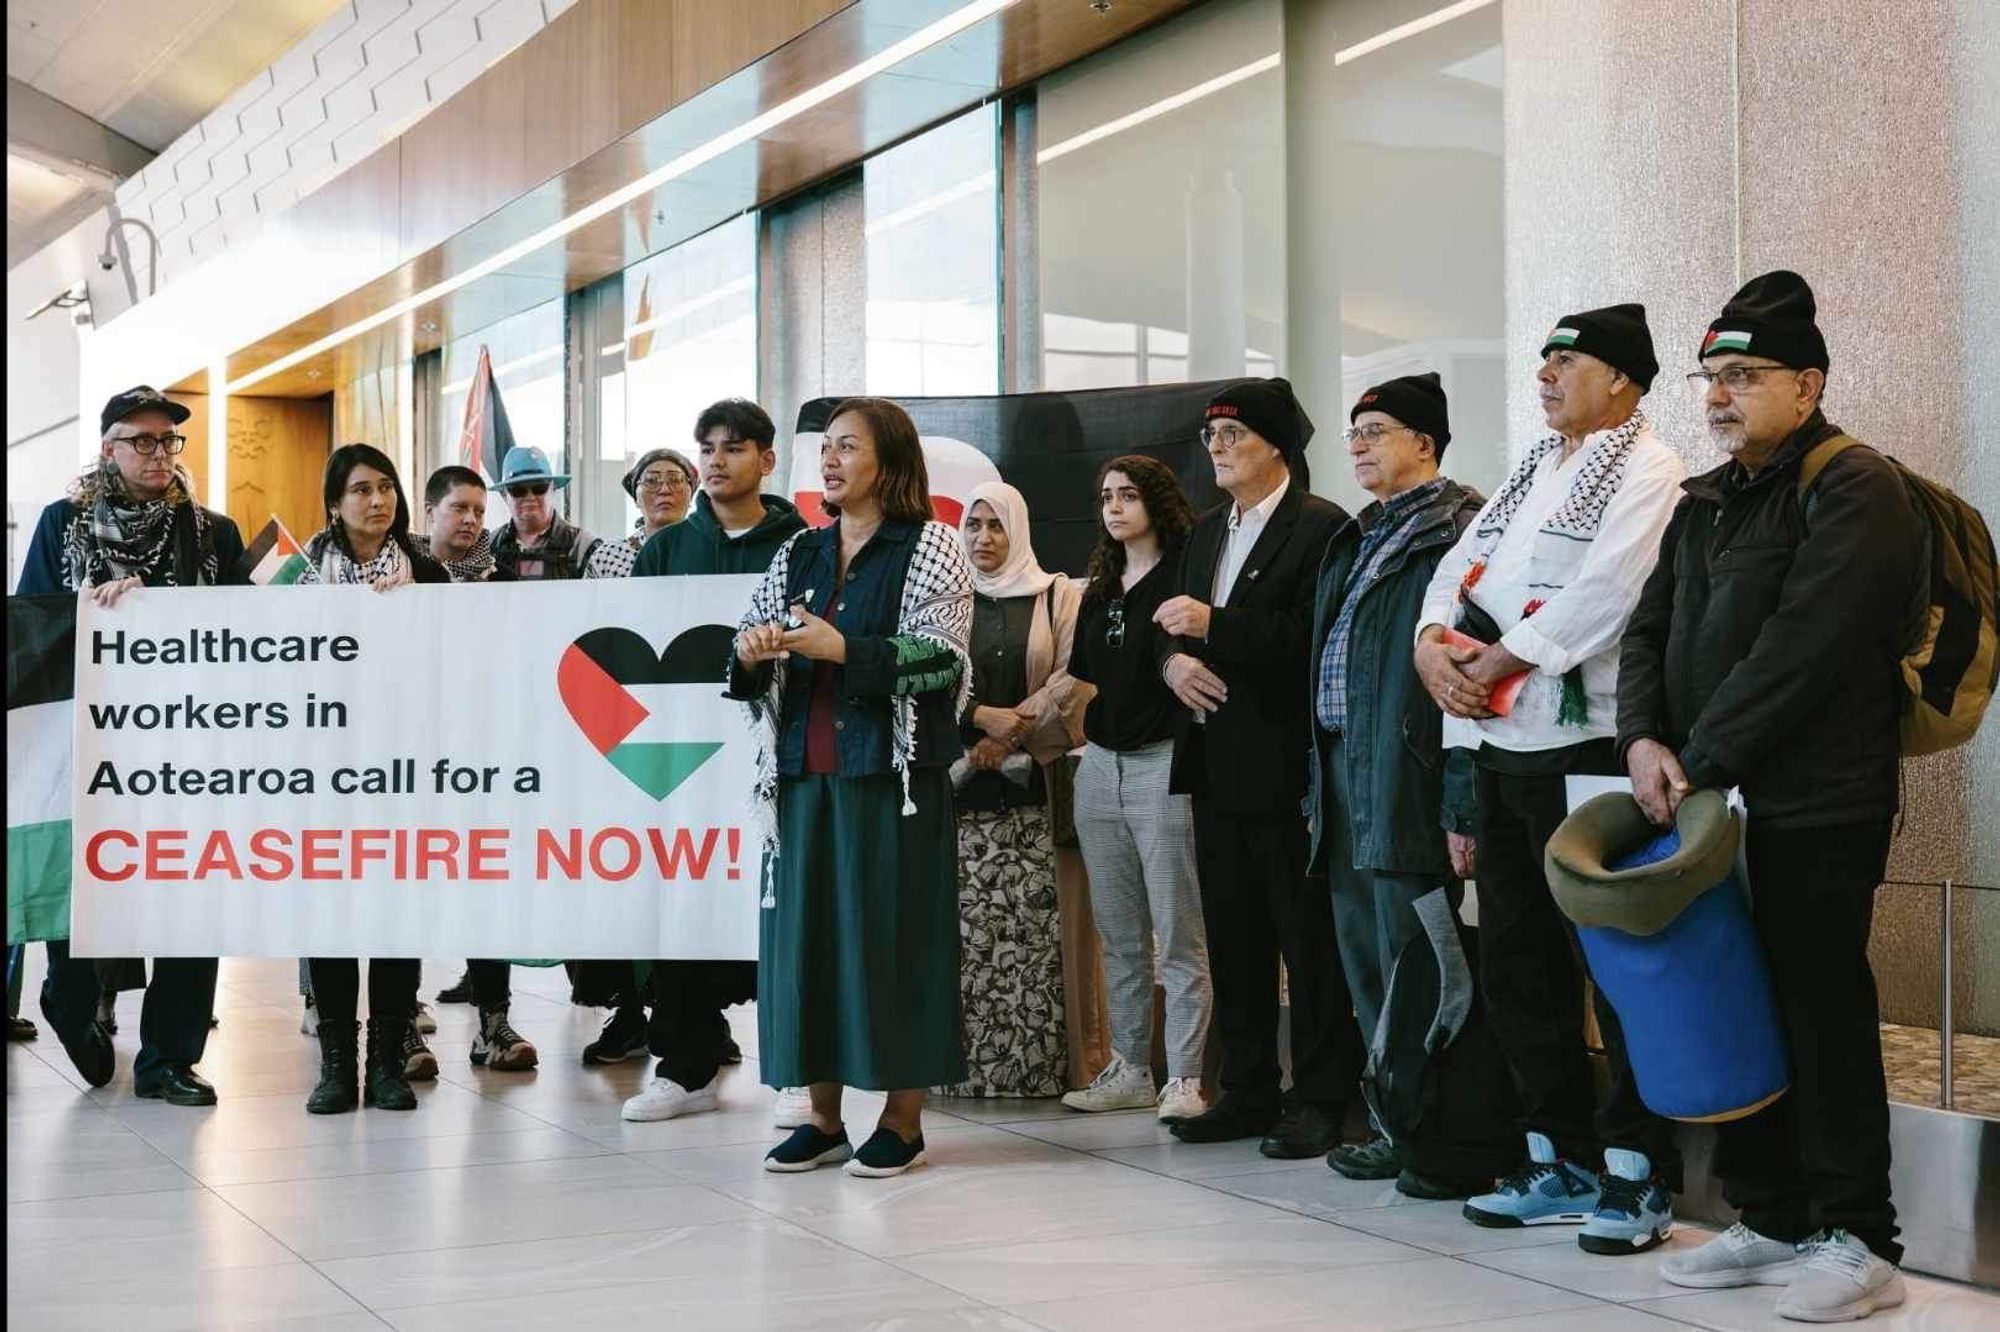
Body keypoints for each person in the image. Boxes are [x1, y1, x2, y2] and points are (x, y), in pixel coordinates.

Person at [1628, 272, 1917, 1321]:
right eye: (1709, 377)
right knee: (1733, 1004)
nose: (1718, 395)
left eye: (1741, 376)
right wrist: (1641, 739)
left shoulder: (1853, 486)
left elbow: (1804, 647)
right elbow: (1646, 631)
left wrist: (1694, 755)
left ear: (1807, 383)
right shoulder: (1703, 501)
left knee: (1818, 1007)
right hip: (1704, 796)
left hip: (1816, 798)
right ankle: (1771, 1213)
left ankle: (1862, 1241)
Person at [1413, 304, 1685, 1253]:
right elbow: (1458, 568)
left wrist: (1499, 660)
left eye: (1566, 361)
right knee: (1518, 964)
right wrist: (1430, 645)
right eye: (1543, 360)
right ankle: (1555, 1157)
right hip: (1499, 748)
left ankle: (1637, 1173)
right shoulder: (1534, 466)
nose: (1545, 374)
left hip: (1591, 748)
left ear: (1621, 380)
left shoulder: (1650, 468)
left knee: (1613, 970)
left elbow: (1611, 593)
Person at [729, 396, 972, 1178]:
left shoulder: (931, 544)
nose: (830, 461)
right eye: (825, 448)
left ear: (890, 461)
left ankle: (902, 1117)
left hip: (889, 780)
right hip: (801, 778)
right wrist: (756, 649)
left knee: (894, 942)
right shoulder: (801, 549)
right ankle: (823, 1117)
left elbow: (945, 661)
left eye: (848, 447)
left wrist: (844, 650)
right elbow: (742, 639)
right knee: (810, 947)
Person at [17, 386, 246, 1106]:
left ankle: (169, 1058)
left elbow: (257, 635)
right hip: (91, 745)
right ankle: (70, 996)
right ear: (108, 449)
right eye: (141, 440)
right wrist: (93, 607)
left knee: (190, 893)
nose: (158, 453)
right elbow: (34, 626)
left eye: (168, 441)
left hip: (191, 746)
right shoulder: (63, 525)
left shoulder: (213, 533)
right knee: (91, 884)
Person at [1154, 378, 1359, 1158]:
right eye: (1210, 439)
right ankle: (1245, 1089)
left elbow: (1313, 636)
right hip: (1212, 762)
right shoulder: (1205, 532)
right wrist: (1173, 664)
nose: (1218, 450)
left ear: (1276, 444)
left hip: (1287, 768)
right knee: (1233, 938)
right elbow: (1162, 626)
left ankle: (1319, 1098)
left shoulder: (1321, 528)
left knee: (1304, 943)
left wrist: (1218, 626)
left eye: (1233, 436)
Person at [1310, 373, 1490, 1197]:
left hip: (1407, 772)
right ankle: (1391, 1118)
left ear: (1425, 441)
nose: (1358, 445)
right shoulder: (1362, 533)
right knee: (1363, 952)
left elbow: (1470, 673)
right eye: (1353, 432)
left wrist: (1463, 795)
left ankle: (1438, 1125)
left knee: (1419, 956)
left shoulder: (1460, 529)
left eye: (1375, 430)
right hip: (1346, 769)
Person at [621, 398, 808, 1125]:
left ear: (767, 459)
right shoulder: (664, 551)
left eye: (734, 448)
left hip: (778, 757)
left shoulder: (805, 544)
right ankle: (684, 1064)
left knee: (781, 908)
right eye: (708, 448)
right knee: (685, 903)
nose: (717, 461)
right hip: (685, 764)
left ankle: (795, 1065)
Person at [296, 443, 450, 1114]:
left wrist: (413, 611)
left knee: (393, 914)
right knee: (330, 915)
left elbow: (456, 663)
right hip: (321, 772)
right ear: (335, 502)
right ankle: (336, 1067)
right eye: (360, 490)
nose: (377, 500)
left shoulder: (428, 574)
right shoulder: (296, 574)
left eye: (386, 487)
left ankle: (386, 1064)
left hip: (402, 770)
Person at [1061, 456, 1211, 1124]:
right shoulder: (1100, 587)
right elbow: (1082, 677)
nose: (1114, 507)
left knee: (1178, 933)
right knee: (1118, 931)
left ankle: (1185, 1076)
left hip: (1164, 763)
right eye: (1104, 497)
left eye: (1127, 495)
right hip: (1100, 765)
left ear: (1156, 500)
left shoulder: (1187, 577)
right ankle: (1129, 1066)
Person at [485, 444, 646, 1058]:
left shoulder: (591, 550)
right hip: (513, 734)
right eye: (518, 491)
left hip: (583, 731)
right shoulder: (486, 553)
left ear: (551, 492)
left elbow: (635, 608)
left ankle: (623, 1009)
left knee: (593, 871)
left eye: (536, 490)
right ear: (506, 496)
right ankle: (493, 1012)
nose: (527, 501)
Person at [936, 480, 1086, 1098]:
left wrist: (1011, 730)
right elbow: (923, 682)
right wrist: (977, 724)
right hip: (957, 798)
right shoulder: (945, 604)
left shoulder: (1058, 595)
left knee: (1035, 940)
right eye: (972, 525)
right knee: (966, 940)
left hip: (1034, 795)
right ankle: (960, 1076)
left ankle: (1037, 1073)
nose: (983, 538)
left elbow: (1073, 679)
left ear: (1018, 529)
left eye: (996, 525)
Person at [413, 465, 537, 1074]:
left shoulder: (503, 582)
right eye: (458, 508)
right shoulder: (398, 574)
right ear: (429, 511)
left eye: (478, 512)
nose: (470, 521)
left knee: (488, 889)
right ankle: (404, 1022)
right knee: (408, 887)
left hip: (483, 759)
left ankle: (494, 1021)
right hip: (408, 761)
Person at [490, 444, 635, 580]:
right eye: (518, 490)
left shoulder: (584, 546)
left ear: (553, 489)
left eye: (539, 488)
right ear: (504, 495)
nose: (530, 497)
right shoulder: (488, 547)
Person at [623, 447, 697, 549]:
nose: (665, 490)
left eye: (675, 480)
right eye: (651, 481)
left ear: (690, 497)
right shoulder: (609, 557)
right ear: (636, 499)